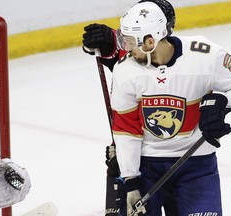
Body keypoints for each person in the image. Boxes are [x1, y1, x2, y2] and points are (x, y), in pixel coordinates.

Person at [83, 0, 231, 215]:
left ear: (150, 42)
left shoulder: (205, 56)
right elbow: (126, 128)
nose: (125, 48)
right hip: (145, 167)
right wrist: (130, 179)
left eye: (130, 42)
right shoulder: (126, 69)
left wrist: (224, 104)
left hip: (197, 166)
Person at [83, 1, 180, 215]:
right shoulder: (133, 54)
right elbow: (117, 51)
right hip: (130, 154)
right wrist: (104, 40)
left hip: (170, 155)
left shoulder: (179, 61)